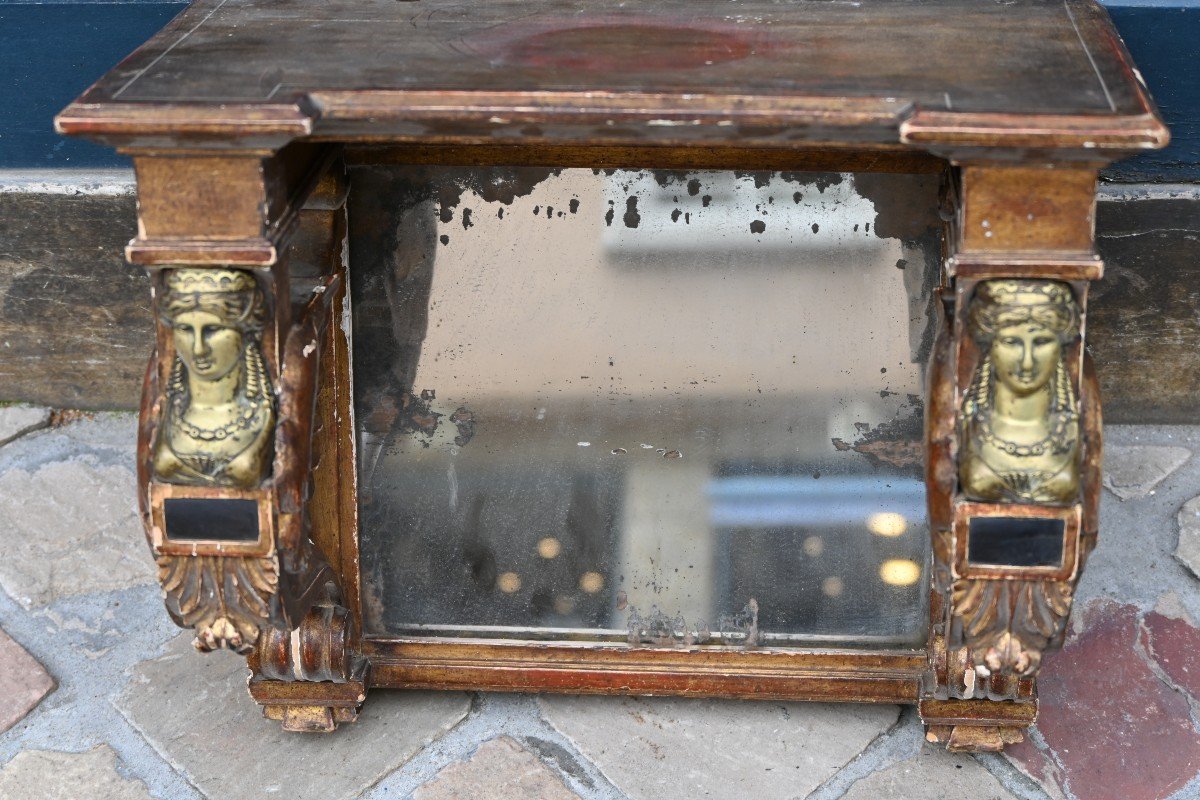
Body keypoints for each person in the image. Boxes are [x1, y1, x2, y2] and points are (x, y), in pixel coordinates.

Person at [959, 279, 1080, 504]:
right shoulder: (965, 421)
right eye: (1011, 342)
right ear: (990, 345)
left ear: (1061, 346)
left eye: (1041, 342)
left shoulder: (1077, 422)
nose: (1026, 362)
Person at [153, 268, 275, 488]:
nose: (198, 349)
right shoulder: (162, 405)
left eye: (213, 329)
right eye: (185, 329)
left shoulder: (266, 410)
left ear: (246, 332)